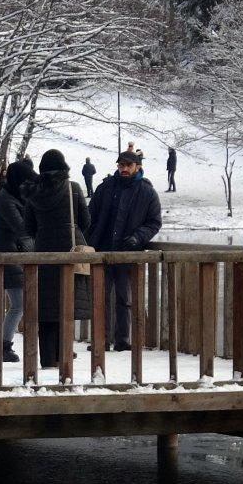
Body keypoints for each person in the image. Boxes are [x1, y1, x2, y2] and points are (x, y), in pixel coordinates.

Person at [24, 150, 92, 368]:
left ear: (41, 170)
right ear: (64, 167)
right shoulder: (73, 189)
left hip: (43, 251)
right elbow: (85, 220)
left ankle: (47, 358)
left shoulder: (33, 192)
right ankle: (64, 354)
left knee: (46, 306)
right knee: (67, 302)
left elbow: (28, 227)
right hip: (69, 251)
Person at [88, 150, 162, 351]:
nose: (124, 169)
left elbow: (154, 222)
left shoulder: (147, 192)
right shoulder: (105, 187)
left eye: (128, 165)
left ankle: (123, 340)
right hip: (101, 251)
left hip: (127, 250)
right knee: (99, 297)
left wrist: (138, 237)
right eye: (121, 165)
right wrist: (90, 239)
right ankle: (100, 339)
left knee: (124, 298)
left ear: (137, 167)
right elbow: (90, 216)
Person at [0, 159, 37, 362]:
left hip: (17, 255)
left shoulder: (14, 197)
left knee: (21, 304)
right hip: (8, 256)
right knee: (18, 304)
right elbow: (22, 228)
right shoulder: (6, 201)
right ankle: (3, 346)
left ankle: (4, 345)